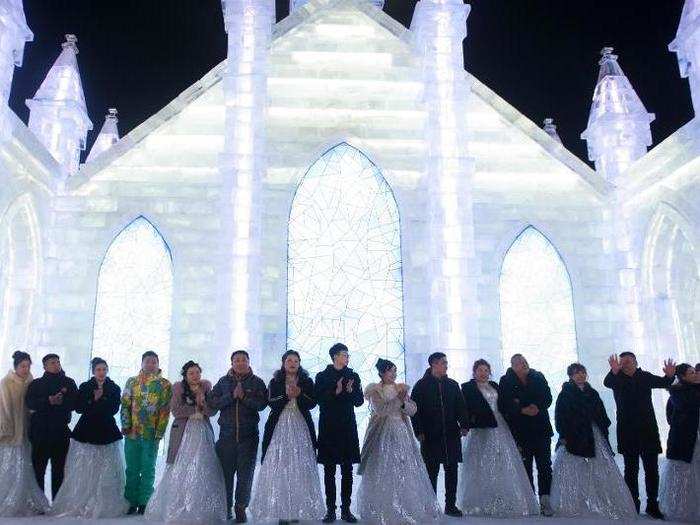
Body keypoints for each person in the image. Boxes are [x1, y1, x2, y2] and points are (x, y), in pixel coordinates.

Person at [358, 358, 440, 525]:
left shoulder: (401, 388)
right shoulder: (375, 390)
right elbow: (381, 410)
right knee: (383, 468)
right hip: (382, 434)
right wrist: (398, 400)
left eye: (395, 371)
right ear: (382, 373)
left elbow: (413, 410)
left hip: (402, 432)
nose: (394, 374)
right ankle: (383, 507)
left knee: (404, 467)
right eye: (390, 371)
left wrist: (403, 401)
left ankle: (405, 506)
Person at [551, 363, 636, 519]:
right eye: (576, 373)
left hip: (594, 435)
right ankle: (574, 504)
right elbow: (560, 417)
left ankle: (601, 502)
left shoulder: (593, 392)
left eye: (583, 372)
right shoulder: (565, 394)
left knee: (600, 469)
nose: (580, 375)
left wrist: (601, 424)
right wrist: (565, 434)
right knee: (574, 471)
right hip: (574, 436)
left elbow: (602, 414)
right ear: (570, 376)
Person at [145, 361, 226, 523]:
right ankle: (178, 506)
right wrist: (195, 408)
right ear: (185, 375)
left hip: (202, 432)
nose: (195, 376)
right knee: (181, 466)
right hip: (184, 432)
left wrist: (204, 406)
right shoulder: (178, 388)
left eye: (197, 372)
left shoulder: (206, 387)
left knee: (203, 466)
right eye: (191, 373)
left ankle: (202, 508)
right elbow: (175, 410)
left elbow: (212, 411)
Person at [250, 350, 324, 524]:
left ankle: (297, 508)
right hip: (279, 426)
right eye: (289, 360)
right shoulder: (275, 381)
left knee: (300, 466)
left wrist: (300, 395)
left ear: (299, 364)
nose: (292, 363)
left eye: (296, 361)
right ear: (283, 363)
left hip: (301, 426)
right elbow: (271, 403)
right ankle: (281, 509)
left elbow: (312, 403)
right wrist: (286, 396)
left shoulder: (306, 381)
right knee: (280, 466)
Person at [459, 359, 539, 517]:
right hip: (480, 429)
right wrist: (467, 423)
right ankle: (479, 502)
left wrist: (521, 409)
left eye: (486, 370)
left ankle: (503, 498)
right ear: (474, 372)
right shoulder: (467, 388)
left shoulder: (495, 386)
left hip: (499, 426)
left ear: (490, 372)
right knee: (479, 464)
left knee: (502, 462)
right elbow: (464, 408)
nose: (483, 373)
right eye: (480, 370)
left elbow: (505, 404)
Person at [51, 357, 128, 518]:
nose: (101, 373)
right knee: (85, 466)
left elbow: (113, 409)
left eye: (104, 369)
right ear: (93, 372)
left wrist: (96, 403)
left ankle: (105, 501)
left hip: (107, 431)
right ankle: (83, 500)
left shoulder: (114, 387)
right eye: (98, 370)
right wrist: (95, 399)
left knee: (106, 468)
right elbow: (79, 408)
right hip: (86, 430)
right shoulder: (85, 386)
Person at [604, 352, 675, 518]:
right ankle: (632, 504)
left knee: (652, 469)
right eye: (622, 362)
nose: (624, 364)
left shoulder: (645, 376)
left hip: (647, 429)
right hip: (627, 431)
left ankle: (652, 504)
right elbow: (607, 382)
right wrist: (614, 371)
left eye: (628, 361)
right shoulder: (617, 378)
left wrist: (670, 375)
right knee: (630, 470)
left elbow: (663, 382)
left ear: (635, 362)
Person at [208, 349, 267, 524]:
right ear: (232, 363)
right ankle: (225, 508)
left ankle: (241, 507)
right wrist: (231, 396)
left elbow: (262, 404)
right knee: (225, 474)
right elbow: (212, 401)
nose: (240, 363)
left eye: (243, 360)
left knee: (245, 474)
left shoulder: (257, 382)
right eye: (236, 360)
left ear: (248, 362)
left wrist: (244, 397)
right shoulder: (223, 381)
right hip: (226, 436)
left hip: (249, 437)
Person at [410, 352, 468, 518]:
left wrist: (464, 424)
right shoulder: (421, 386)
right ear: (433, 364)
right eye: (443, 362)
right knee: (431, 471)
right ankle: (430, 506)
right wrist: (419, 431)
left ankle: (450, 505)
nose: (446, 365)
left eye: (446, 363)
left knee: (452, 470)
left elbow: (461, 407)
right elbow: (415, 412)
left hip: (451, 433)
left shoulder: (453, 384)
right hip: (430, 435)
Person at [497, 353, 554, 516]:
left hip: (541, 428)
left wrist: (537, 406)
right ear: (513, 366)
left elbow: (548, 397)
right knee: (525, 466)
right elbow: (503, 404)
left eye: (524, 361)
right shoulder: (506, 381)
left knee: (545, 466)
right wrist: (521, 410)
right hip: (520, 431)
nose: (524, 364)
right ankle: (529, 500)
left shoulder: (538, 376)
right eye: (520, 363)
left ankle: (545, 499)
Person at [315, 342, 364, 523]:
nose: (347, 357)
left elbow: (359, 402)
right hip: (328, 427)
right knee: (329, 470)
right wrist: (335, 391)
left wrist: (350, 391)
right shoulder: (322, 376)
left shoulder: (353, 376)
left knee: (347, 469)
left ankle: (346, 509)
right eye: (344, 354)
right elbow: (318, 400)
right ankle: (330, 510)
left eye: (348, 355)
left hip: (347, 427)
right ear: (335, 356)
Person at [120, 350, 172, 515]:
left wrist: (160, 431)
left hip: (151, 434)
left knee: (148, 468)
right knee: (132, 468)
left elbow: (165, 410)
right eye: (147, 361)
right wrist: (126, 425)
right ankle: (130, 501)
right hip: (132, 433)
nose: (150, 364)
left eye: (154, 361)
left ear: (158, 364)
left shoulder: (164, 384)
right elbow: (125, 404)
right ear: (142, 363)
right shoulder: (132, 382)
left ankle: (144, 501)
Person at [0, 351, 49, 516]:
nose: (26, 369)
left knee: (25, 468)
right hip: (10, 434)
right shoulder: (6, 383)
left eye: (28, 366)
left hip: (27, 432)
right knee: (10, 468)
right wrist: (5, 430)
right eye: (22, 366)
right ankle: (7, 500)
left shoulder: (31, 381)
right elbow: (3, 410)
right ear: (16, 367)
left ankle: (24, 500)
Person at [25, 353, 78, 499]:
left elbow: (75, 403)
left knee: (59, 469)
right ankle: (39, 502)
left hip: (60, 432)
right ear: (45, 366)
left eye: (57, 362)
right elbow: (30, 403)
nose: (56, 364)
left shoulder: (69, 382)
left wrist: (61, 403)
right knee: (38, 469)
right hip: (40, 432)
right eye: (52, 362)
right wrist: (48, 400)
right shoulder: (36, 384)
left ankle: (57, 502)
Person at [659, 363, 700, 523]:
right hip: (683, 440)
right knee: (683, 474)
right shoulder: (677, 391)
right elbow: (676, 413)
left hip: (694, 438)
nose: (695, 374)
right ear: (682, 376)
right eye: (691, 373)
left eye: (695, 372)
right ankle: (682, 508)